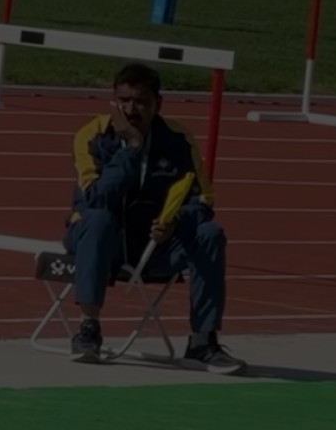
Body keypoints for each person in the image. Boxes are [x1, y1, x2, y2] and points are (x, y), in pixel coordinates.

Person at [63, 62, 246, 375]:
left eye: (141, 102)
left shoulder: (177, 140)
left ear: (157, 105)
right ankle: (88, 329)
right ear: (114, 101)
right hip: (103, 242)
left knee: (208, 233)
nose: (132, 109)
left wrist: (176, 222)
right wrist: (131, 149)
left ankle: (203, 341)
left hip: (157, 245)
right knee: (96, 219)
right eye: (125, 101)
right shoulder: (91, 136)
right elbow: (95, 198)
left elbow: (202, 199)